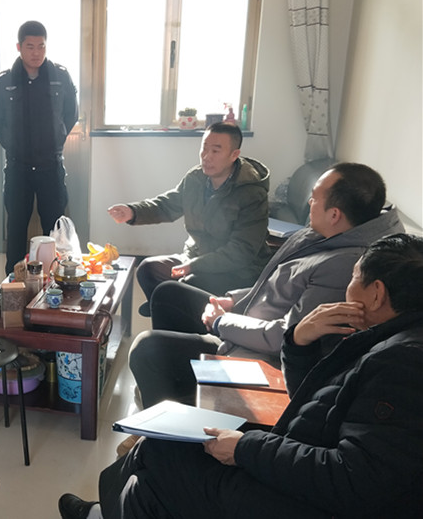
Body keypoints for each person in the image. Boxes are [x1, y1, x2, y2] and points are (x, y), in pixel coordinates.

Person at [58, 233, 423, 519]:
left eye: (355, 278)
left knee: (161, 455)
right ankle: (106, 511)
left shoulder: (403, 364)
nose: (348, 285)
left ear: (377, 294)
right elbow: (315, 403)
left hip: (306, 500)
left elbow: (353, 481)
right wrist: (299, 341)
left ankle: (105, 512)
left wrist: (246, 448)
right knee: (163, 445)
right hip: (297, 457)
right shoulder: (387, 337)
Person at [127, 163, 403, 412]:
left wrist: (222, 322)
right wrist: (233, 300)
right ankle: (175, 394)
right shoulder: (326, 234)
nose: (309, 202)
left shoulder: (344, 265)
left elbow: (286, 336)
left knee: (147, 348)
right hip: (247, 321)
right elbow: (273, 286)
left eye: (315, 197)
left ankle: (167, 423)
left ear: (334, 214)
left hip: (259, 354)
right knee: (168, 294)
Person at [107, 122, 272, 316]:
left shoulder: (251, 192)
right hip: (195, 256)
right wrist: (133, 212)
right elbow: (168, 205)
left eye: (215, 151)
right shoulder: (196, 178)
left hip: (239, 270)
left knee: (186, 285)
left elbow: (241, 252)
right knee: (148, 269)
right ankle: (165, 310)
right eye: (204, 148)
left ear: (234, 155)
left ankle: (177, 314)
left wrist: (194, 266)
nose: (206, 156)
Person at [0, 20, 79, 274]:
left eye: (41, 46)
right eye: (30, 47)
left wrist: (55, 140)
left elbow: (71, 114)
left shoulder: (60, 77)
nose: (36, 52)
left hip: (51, 166)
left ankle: (55, 281)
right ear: (19, 47)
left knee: (55, 229)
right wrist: (14, 145)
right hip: (18, 168)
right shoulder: (5, 81)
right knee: (16, 228)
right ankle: (13, 282)